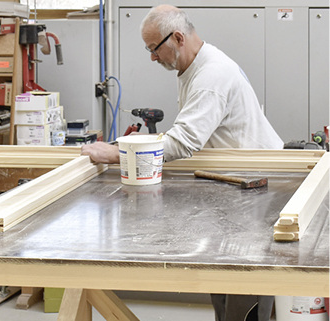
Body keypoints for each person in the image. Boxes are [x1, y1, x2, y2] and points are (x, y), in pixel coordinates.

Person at [82, 5, 282, 320]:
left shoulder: (211, 75)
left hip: (256, 186)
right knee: (224, 283)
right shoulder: (193, 67)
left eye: (153, 49)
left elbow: (184, 141)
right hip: (234, 185)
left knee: (246, 290)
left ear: (177, 37)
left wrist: (115, 151)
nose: (151, 57)